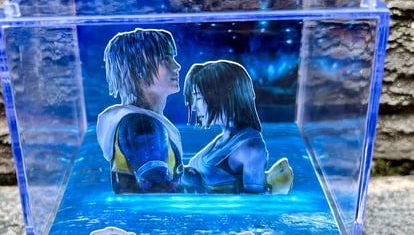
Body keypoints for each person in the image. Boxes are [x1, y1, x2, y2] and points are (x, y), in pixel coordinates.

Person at [182, 60, 293, 195]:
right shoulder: (225, 138)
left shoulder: (251, 148)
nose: (194, 107)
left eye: (198, 98)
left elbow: (253, 202)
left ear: (224, 98)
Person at [96, 28, 184, 193]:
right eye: (166, 59)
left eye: (173, 58)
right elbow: (157, 188)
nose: (177, 66)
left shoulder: (139, 120)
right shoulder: (142, 125)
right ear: (139, 69)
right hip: (150, 210)